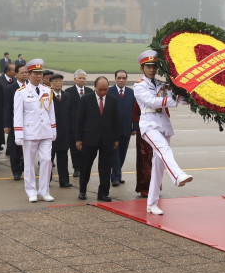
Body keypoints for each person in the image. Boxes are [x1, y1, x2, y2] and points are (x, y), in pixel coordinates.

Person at [133, 50, 192, 215]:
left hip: (164, 124)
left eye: (154, 66)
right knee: (164, 149)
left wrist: (191, 97)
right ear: (142, 68)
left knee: (158, 166)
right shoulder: (139, 85)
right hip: (149, 124)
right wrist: (175, 100)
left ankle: (152, 203)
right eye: (148, 67)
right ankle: (177, 175)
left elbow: (179, 98)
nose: (151, 70)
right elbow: (152, 101)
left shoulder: (161, 85)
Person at [13, 59, 56, 202]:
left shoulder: (47, 91)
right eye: (36, 74)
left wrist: (53, 130)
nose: (39, 76)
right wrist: (19, 134)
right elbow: (18, 115)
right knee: (29, 163)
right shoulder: (21, 92)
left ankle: (44, 191)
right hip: (30, 133)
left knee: (46, 160)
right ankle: (31, 191)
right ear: (29, 74)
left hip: (45, 132)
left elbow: (51, 113)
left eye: (40, 74)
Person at [76, 75, 119, 202]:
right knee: (86, 166)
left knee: (105, 167)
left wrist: (116, 139)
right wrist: (78, 139)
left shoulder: (113, 100)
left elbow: (116, 121)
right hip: (89, 139)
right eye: (100, 89)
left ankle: (103, 193)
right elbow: (79, 120)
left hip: (107, 140)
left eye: (105, 89)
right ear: (95, 87)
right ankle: (82, 190)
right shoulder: (85, 99)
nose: (102, 92)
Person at [109, 70, 137, 187]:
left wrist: (135, 127)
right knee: (115, 154)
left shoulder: (131, 93)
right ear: (115, 79)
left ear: (126, 79)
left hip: (126, 129)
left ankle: (117, 174)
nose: (121, 80)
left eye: (123, 78)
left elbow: (135, 111)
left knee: (122, 153)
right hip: (112, 130)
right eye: (119, 78)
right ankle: (115, 177)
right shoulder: (109, 92)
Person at [66, 69, 92, 179]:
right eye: (79, 78)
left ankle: (84, 167)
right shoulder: (68, 91)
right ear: (75, 79)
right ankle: (76, 168)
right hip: (73, 125)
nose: (81, 80)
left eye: (83, 78)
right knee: (74, 147)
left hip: (87, 125)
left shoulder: (90, 91)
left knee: (86, 147)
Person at [50, 74, 75, 188]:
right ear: (51, 83)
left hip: (64, 133)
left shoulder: (67, 96)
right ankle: (46, 180)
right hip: (50, 133)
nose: (59, 83)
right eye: (56, 81)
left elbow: (72, 114)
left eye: (60, 81)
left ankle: (64, 181)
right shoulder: (47, 96)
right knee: (48, 159)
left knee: (63, 158)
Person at [4, 65, 28, 180]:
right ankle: (16, 171)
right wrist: (7, 125)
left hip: (29, 124)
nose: (25, 74)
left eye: (26, 72)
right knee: (14, 148)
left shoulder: (32, 87)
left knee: (28, 148)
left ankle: (25, 167)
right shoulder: (10, 88)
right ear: (16, 74)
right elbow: (7, 108)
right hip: (15, 123)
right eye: (22, 72)